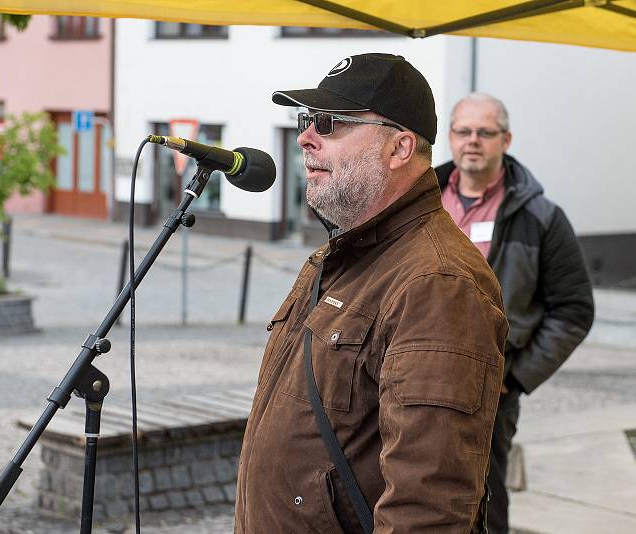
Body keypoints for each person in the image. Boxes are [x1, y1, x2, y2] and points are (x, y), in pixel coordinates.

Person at [234, 53, 508, 533]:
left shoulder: (438, 283)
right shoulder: (340, 256)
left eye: (331, 123)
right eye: (306, 120)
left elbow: (428, 506)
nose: (305, 137)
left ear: (399, 147)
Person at [435, 93, 595, 533]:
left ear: (506, 139)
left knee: (483, 500)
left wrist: (516, 377)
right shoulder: (419, 204)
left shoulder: (541, 218)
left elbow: (574, 310)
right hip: (410, 376)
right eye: (463, 131)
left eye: (485, 133)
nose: (473, 142)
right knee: (410, 491)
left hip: (490, 390)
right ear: (449, 137)